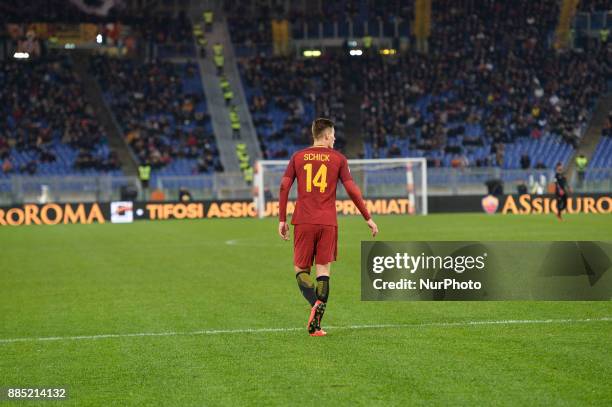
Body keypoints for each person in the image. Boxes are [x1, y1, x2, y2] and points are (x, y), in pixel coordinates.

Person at [278, 118, 378, 337]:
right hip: (328, 221)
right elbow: (352, 189)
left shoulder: (298, 157)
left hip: (303, 220)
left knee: (301, 270)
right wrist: (367, 217)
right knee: (323, 271)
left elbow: (285, 185)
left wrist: (282, 219)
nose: (334, 138)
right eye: (333, 135)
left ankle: (314, 304)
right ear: (325, 135)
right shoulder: (338, 159)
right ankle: (316, 325)